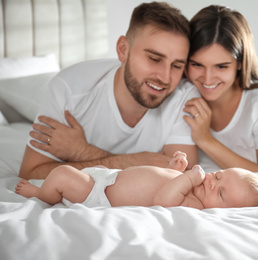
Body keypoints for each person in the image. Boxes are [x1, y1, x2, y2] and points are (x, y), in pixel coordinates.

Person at [19, 2, 200, 180]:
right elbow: (31, 173)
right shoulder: (69, 89)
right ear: (123, 49)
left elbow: (179, 178)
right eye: (154, 59)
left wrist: (83, 152)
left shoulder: (184, 97)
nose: (165, 77)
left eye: (176, 66)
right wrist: (133, 162)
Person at [183, 5, 258, 173]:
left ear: (239, 63)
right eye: (197, 64)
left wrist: (206, 140)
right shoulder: (183, 93)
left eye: (221, 66)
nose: (208, 78)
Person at [15, 152, 258, 209]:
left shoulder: (195, 206)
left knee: (62, 174)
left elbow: (164, 198)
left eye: (221, 194)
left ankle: (41, 195)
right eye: (218, 176)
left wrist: (190, 177)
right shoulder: (194, 187)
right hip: (108, 178)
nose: (212, 183)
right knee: (69, 172)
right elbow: (166, 181)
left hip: (98, 195)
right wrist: (175, 169)